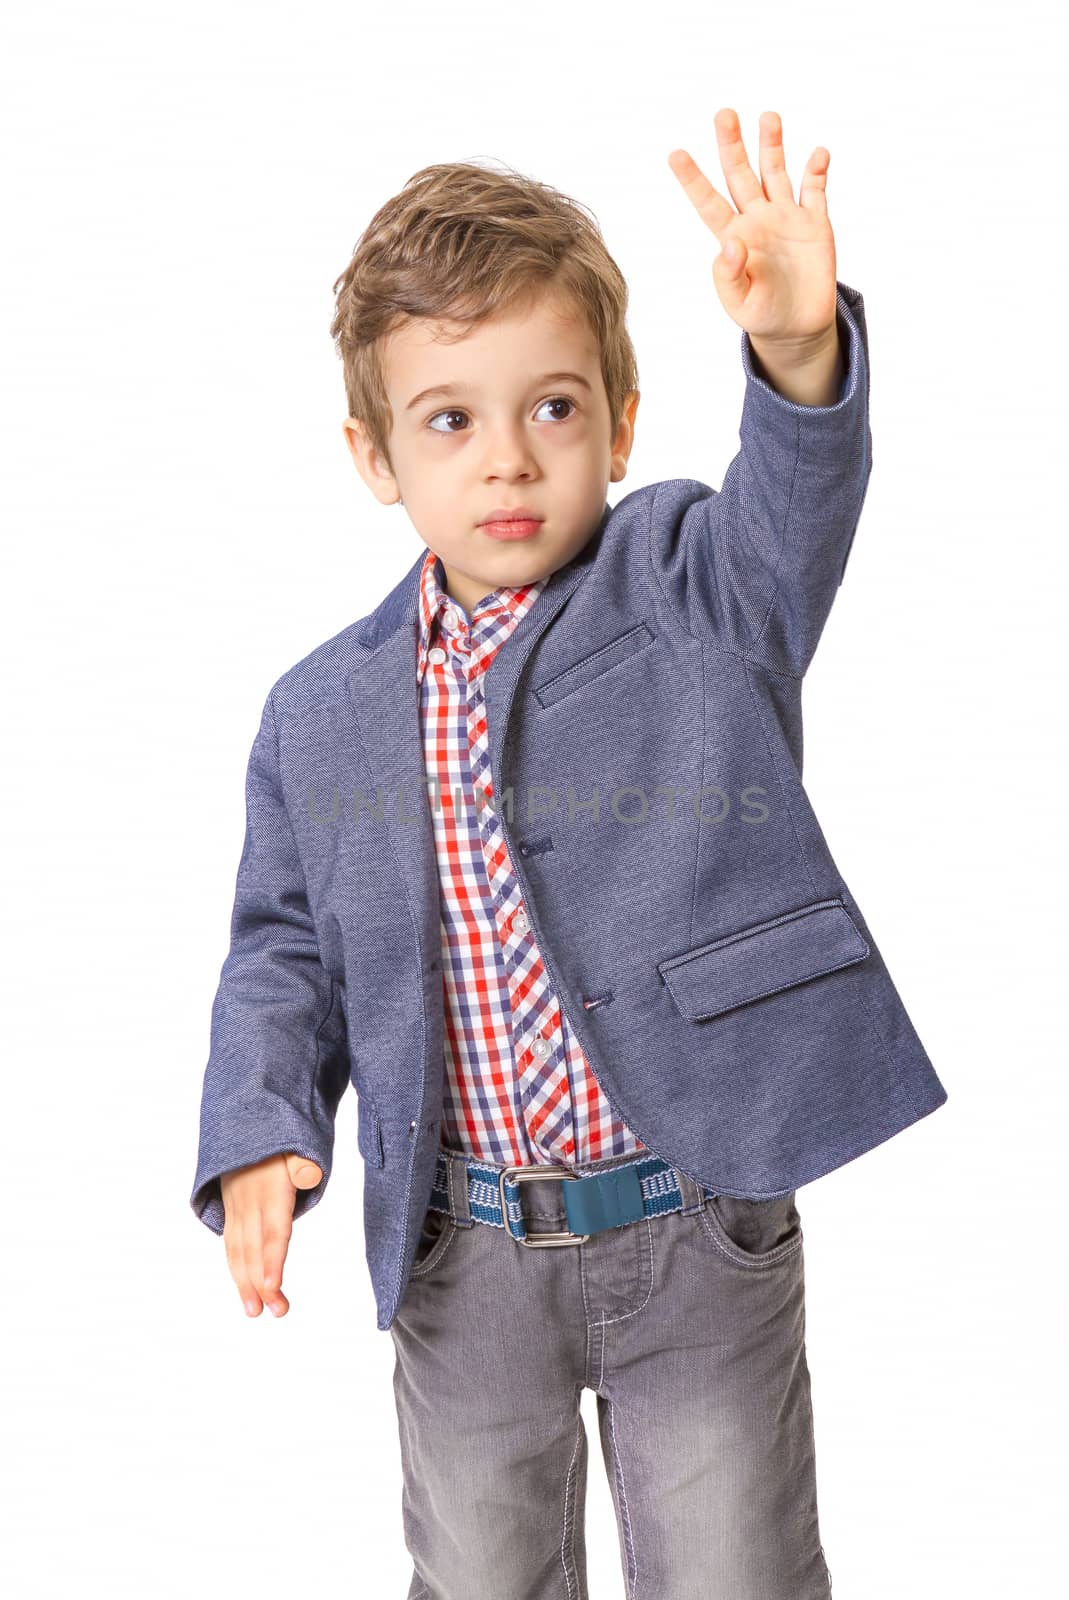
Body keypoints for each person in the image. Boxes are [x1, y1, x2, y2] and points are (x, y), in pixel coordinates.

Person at [190, 106, 948, 1599]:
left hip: (694, 1224)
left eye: (551, 406)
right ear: (373, 453)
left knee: (734, 1573)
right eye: (449, 419)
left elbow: (793, 521)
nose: (507, 460)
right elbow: (281, 943)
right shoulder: (321, 710)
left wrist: (798, 356)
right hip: (462, 1252)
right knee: (477, 1578)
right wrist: (266, 1127)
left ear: (619, 414)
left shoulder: (688, 587)